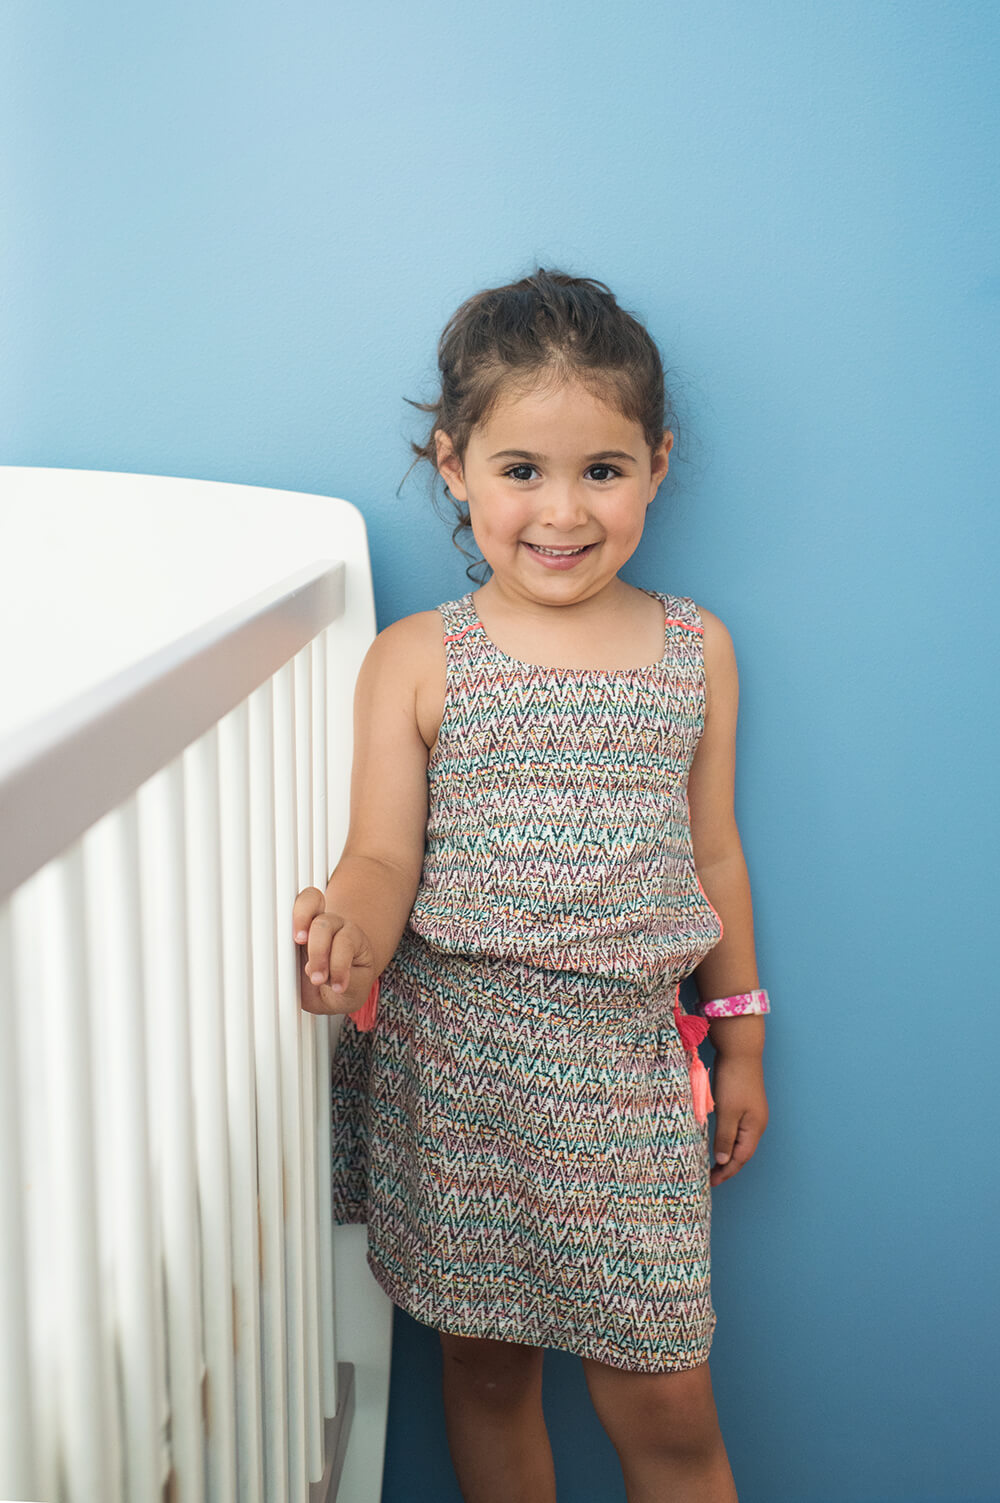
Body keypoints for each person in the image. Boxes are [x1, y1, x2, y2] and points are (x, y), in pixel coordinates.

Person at [293, 268, 769, 1503]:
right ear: (453, 465)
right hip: (457, 1074)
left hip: (618, 1070)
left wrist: (742, 1042)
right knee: (487, 1370)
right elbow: (386, 857)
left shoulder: (692, 649)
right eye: (521, 471)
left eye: (602, 471)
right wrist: (347, 927)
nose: (562, 511)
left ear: (656, 464)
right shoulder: (416, 659)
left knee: (664, 1397)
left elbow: (712, 857)